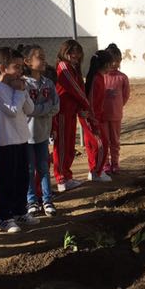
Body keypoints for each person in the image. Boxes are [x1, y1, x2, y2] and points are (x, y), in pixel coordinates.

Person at [0, 46, 37, 233]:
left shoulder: (18, 87)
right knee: (7, 181)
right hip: (7, 141)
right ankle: (4, 217)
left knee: (22, 178)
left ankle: (20, 211)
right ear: (3, 68)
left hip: (21, 139)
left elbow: (30, 109)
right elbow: (12, 110)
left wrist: (23, 91)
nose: (20, 71)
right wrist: (18, 92)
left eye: (21, 67)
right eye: (16, 67)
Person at [22, 45, 59, 217]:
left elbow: (56, 106)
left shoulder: (48, 83)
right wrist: (45, 108)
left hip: (43, 134)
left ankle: (47, 200)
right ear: (27, 62)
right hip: (27, 135)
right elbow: (28, 110)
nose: (44, 61)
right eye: (40, 58)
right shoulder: (23, 84)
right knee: (29, 169)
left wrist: (40, 109)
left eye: (44, 57)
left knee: (44, 168)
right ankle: (31, 201)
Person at [53, 39, 91, 192]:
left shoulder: (74, 67)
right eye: (71, 52)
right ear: (64, 52)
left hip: (70, 111)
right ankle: (61, 178)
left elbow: (79, 87)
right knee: (62, 145)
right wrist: (86, 104)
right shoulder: (64, 66)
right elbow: (75, 88)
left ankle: (67, 176)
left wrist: (82, 106)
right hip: (62, 112)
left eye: (78, 53)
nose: (75, 55)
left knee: (69, 144)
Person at [84, 49, 113, 182]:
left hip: (96, 117)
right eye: (110, 64)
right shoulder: (96, 79)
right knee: (102, 144)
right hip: (92, 118)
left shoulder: (100, 77)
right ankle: (97, 171)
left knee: (95, 145)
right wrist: (93, 119)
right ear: (106, 64)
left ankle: (94, 170)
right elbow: (91, 101)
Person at [101, 43, 130, 174]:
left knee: (115, 141)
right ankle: (105, 164)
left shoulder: (122, 77)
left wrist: (118, 105)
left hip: (116, 115)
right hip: (102, 115)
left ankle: (115, 163)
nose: (114, 64)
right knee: (104, 140)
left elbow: (125, 95)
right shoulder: (101, 76)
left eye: (117, 61)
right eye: (112, 61)